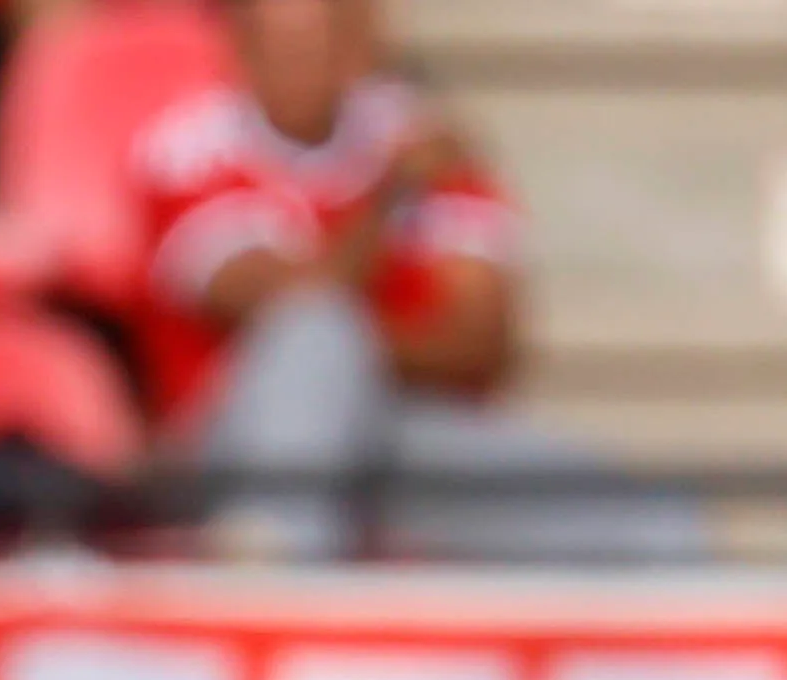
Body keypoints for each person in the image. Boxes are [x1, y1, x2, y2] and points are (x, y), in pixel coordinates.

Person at [129, 0, 692, 561]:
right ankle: (269, 595)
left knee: (647, 518)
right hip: (238, 444)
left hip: (399, 436)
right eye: (285, 43)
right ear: (240, 50)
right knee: (315, 341)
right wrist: (388, 200)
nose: (306, 62)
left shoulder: (421, 137)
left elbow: (484, 342)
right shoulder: (189, 150)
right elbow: (296, 305)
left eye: (325, 39)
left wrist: (356, 357)